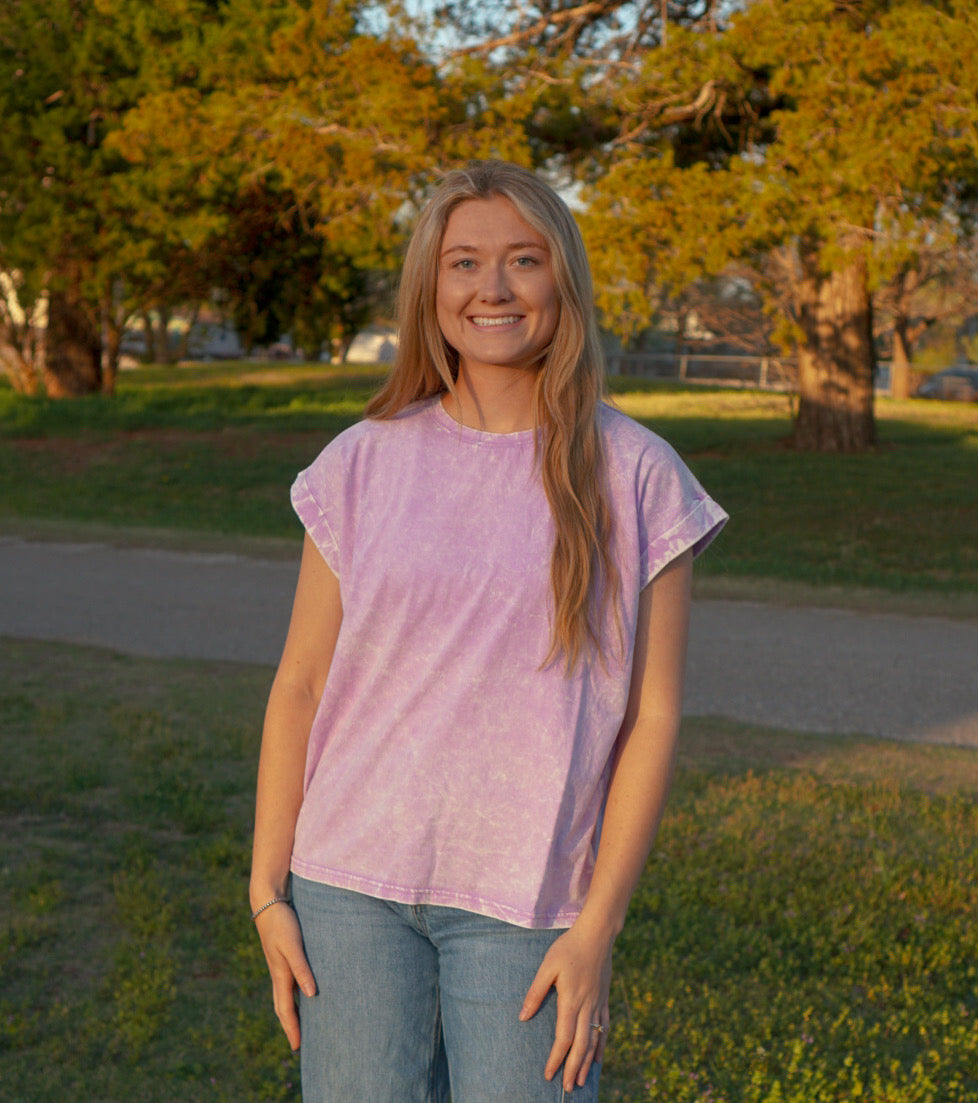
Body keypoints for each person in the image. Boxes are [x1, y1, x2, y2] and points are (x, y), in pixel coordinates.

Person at [249, 159, 727, 1102]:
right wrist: (269, 886)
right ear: (432, 287)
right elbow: (301, 682)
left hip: (532, 905)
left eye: (524, 260)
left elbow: (654, 716)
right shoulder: (361, 460)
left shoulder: (635, 472)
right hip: (348, 890)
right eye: (464, 262)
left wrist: (596, 928)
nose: (493, 288)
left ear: (564, 282)